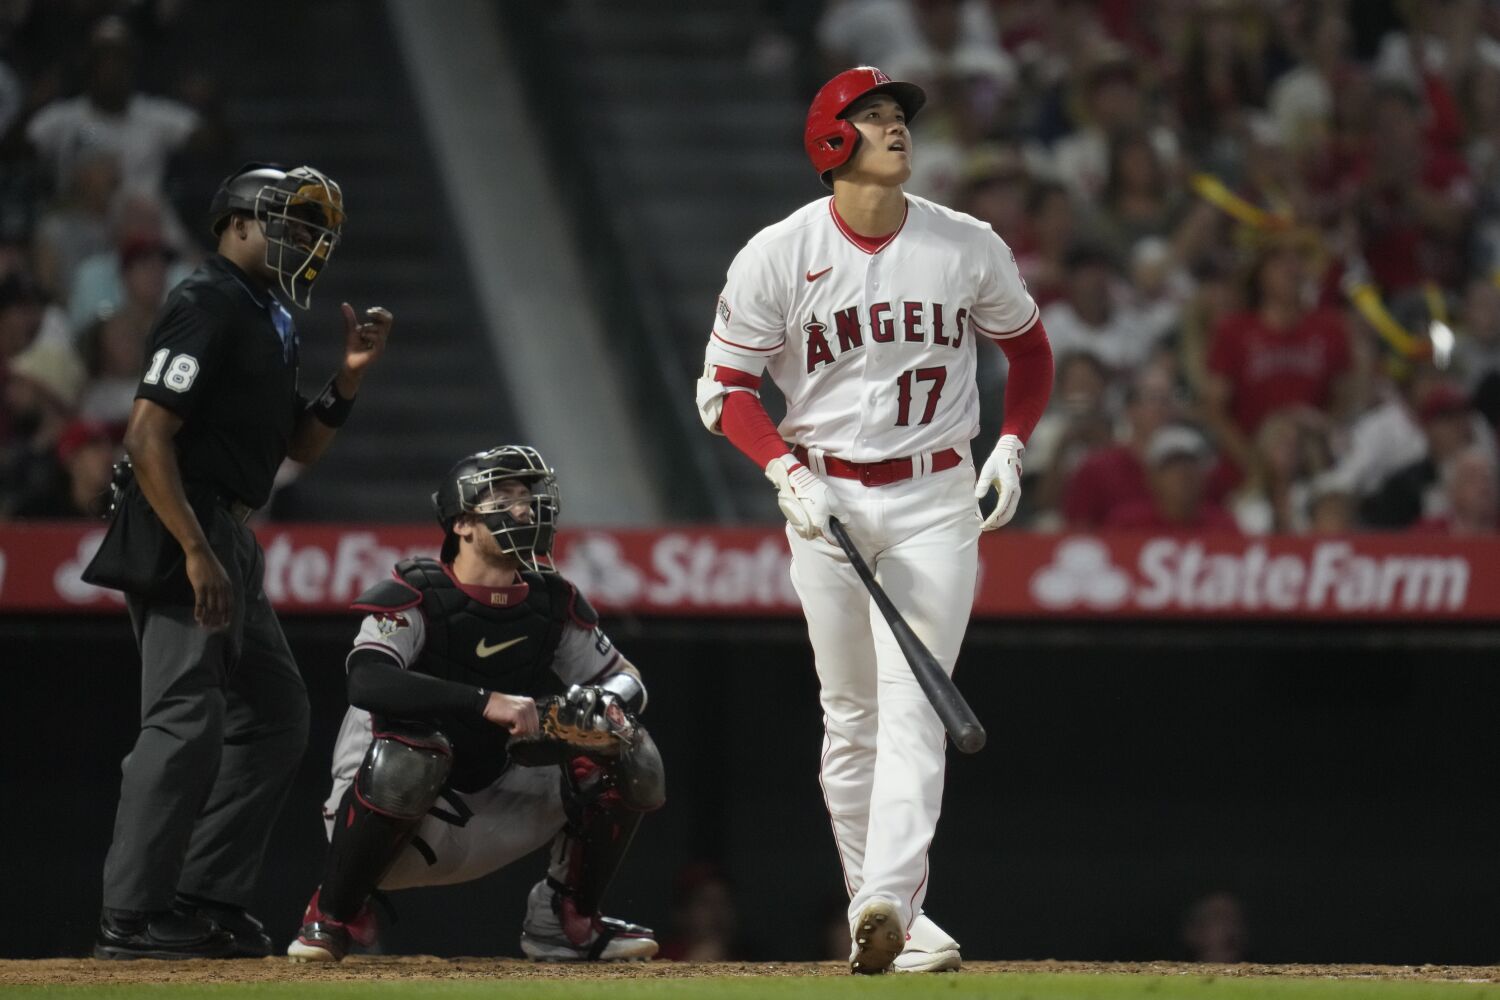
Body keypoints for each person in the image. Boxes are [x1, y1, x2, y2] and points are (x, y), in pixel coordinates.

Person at [695, 66, 1054, 974]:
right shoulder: (776, 253)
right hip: (826, 498)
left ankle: (890, 896)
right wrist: (781, 470)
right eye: (877, 117)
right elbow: (725, 388)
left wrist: (1011, 442)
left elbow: (1031, 349)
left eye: (900, 117)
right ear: (832, 141)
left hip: (937, 496)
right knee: (850, 714)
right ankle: (882, 915)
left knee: (914, 705)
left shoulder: (964, 243)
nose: (897, 129)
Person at [83, 161, 390, 959]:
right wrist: (194, 549)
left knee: (278, 713)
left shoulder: (271, 314)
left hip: (228, 529)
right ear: (236, 224)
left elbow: (297, 446)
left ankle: (203, 898)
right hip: (181, 519)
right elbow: (146, 434)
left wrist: (348, 380)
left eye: (314, 230)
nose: (306, 242)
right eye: (290, 223)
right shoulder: (206, 299)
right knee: (185, 718)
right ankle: (132, 916)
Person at [288, 446, 662, 963]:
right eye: (504, 497)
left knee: (630, 750)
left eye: (528, 497)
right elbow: (367, 681)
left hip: (500, 801)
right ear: (462, 523)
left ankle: (565, 920)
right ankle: (333, 914)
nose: (524, 509)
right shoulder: (417, 592)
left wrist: (603, 705)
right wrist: (484, 702)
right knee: (412, 753)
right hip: (392, 819)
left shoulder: (552, 602)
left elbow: (627, 680)